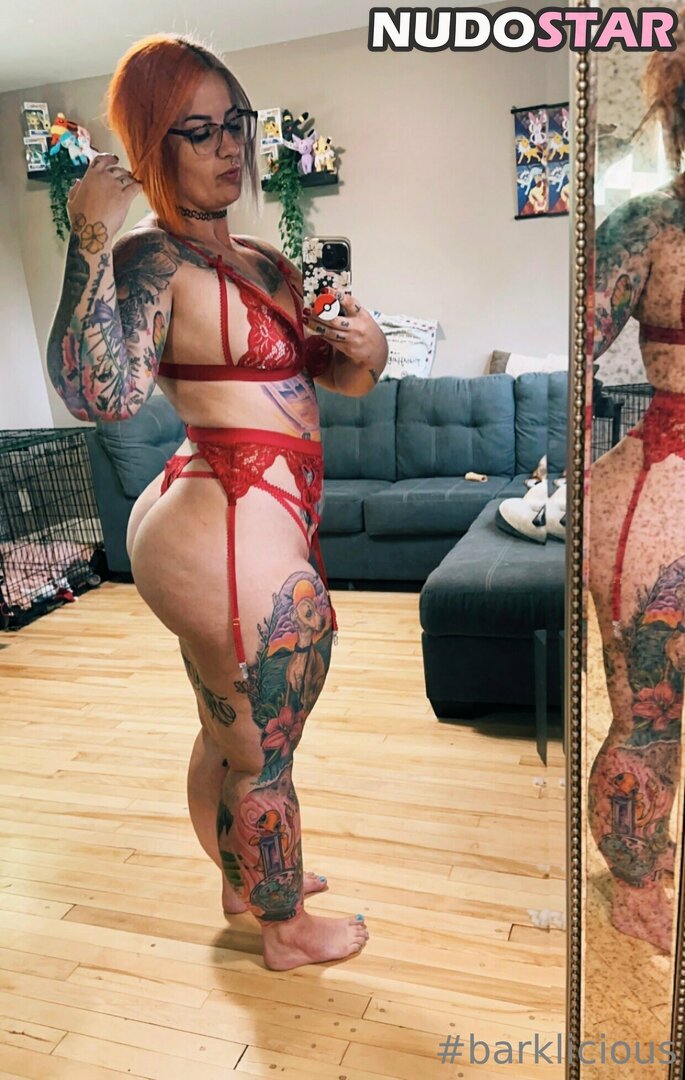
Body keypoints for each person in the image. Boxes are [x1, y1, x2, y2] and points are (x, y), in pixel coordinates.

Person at [46, 33, 388, 971]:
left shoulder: (266, 259)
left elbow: (332, 378)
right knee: (263, 743)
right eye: (198, 131)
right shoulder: (149, 263)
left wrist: (369, 351)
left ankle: (244, 879)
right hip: (224, 518)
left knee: (227, 729)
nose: (229, 145)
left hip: (249, 512)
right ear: (152, 145)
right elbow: (98, 394)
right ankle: (285, 929)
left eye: (234, 122)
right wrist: (88, 235)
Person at [588, 18, 685, 953]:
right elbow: (574, 341)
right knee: (650, 712)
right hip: (660, 491)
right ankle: (635, 882)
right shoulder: (650, 225)